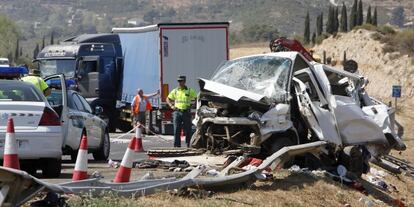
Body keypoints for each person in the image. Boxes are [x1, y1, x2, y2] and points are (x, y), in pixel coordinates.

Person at [167, 75, 197, 147]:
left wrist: (193, 105)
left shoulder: (189, 90)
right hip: (177, 112)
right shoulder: (175, 91)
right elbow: (168, 99)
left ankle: (188, 145)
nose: (180, 83)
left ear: (184, 81)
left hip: (186, 112)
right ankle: (177, 146)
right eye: (179, 81)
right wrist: (171, 106)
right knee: (176, 129)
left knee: (188, 130)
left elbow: (197, 98)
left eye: (181, 81)